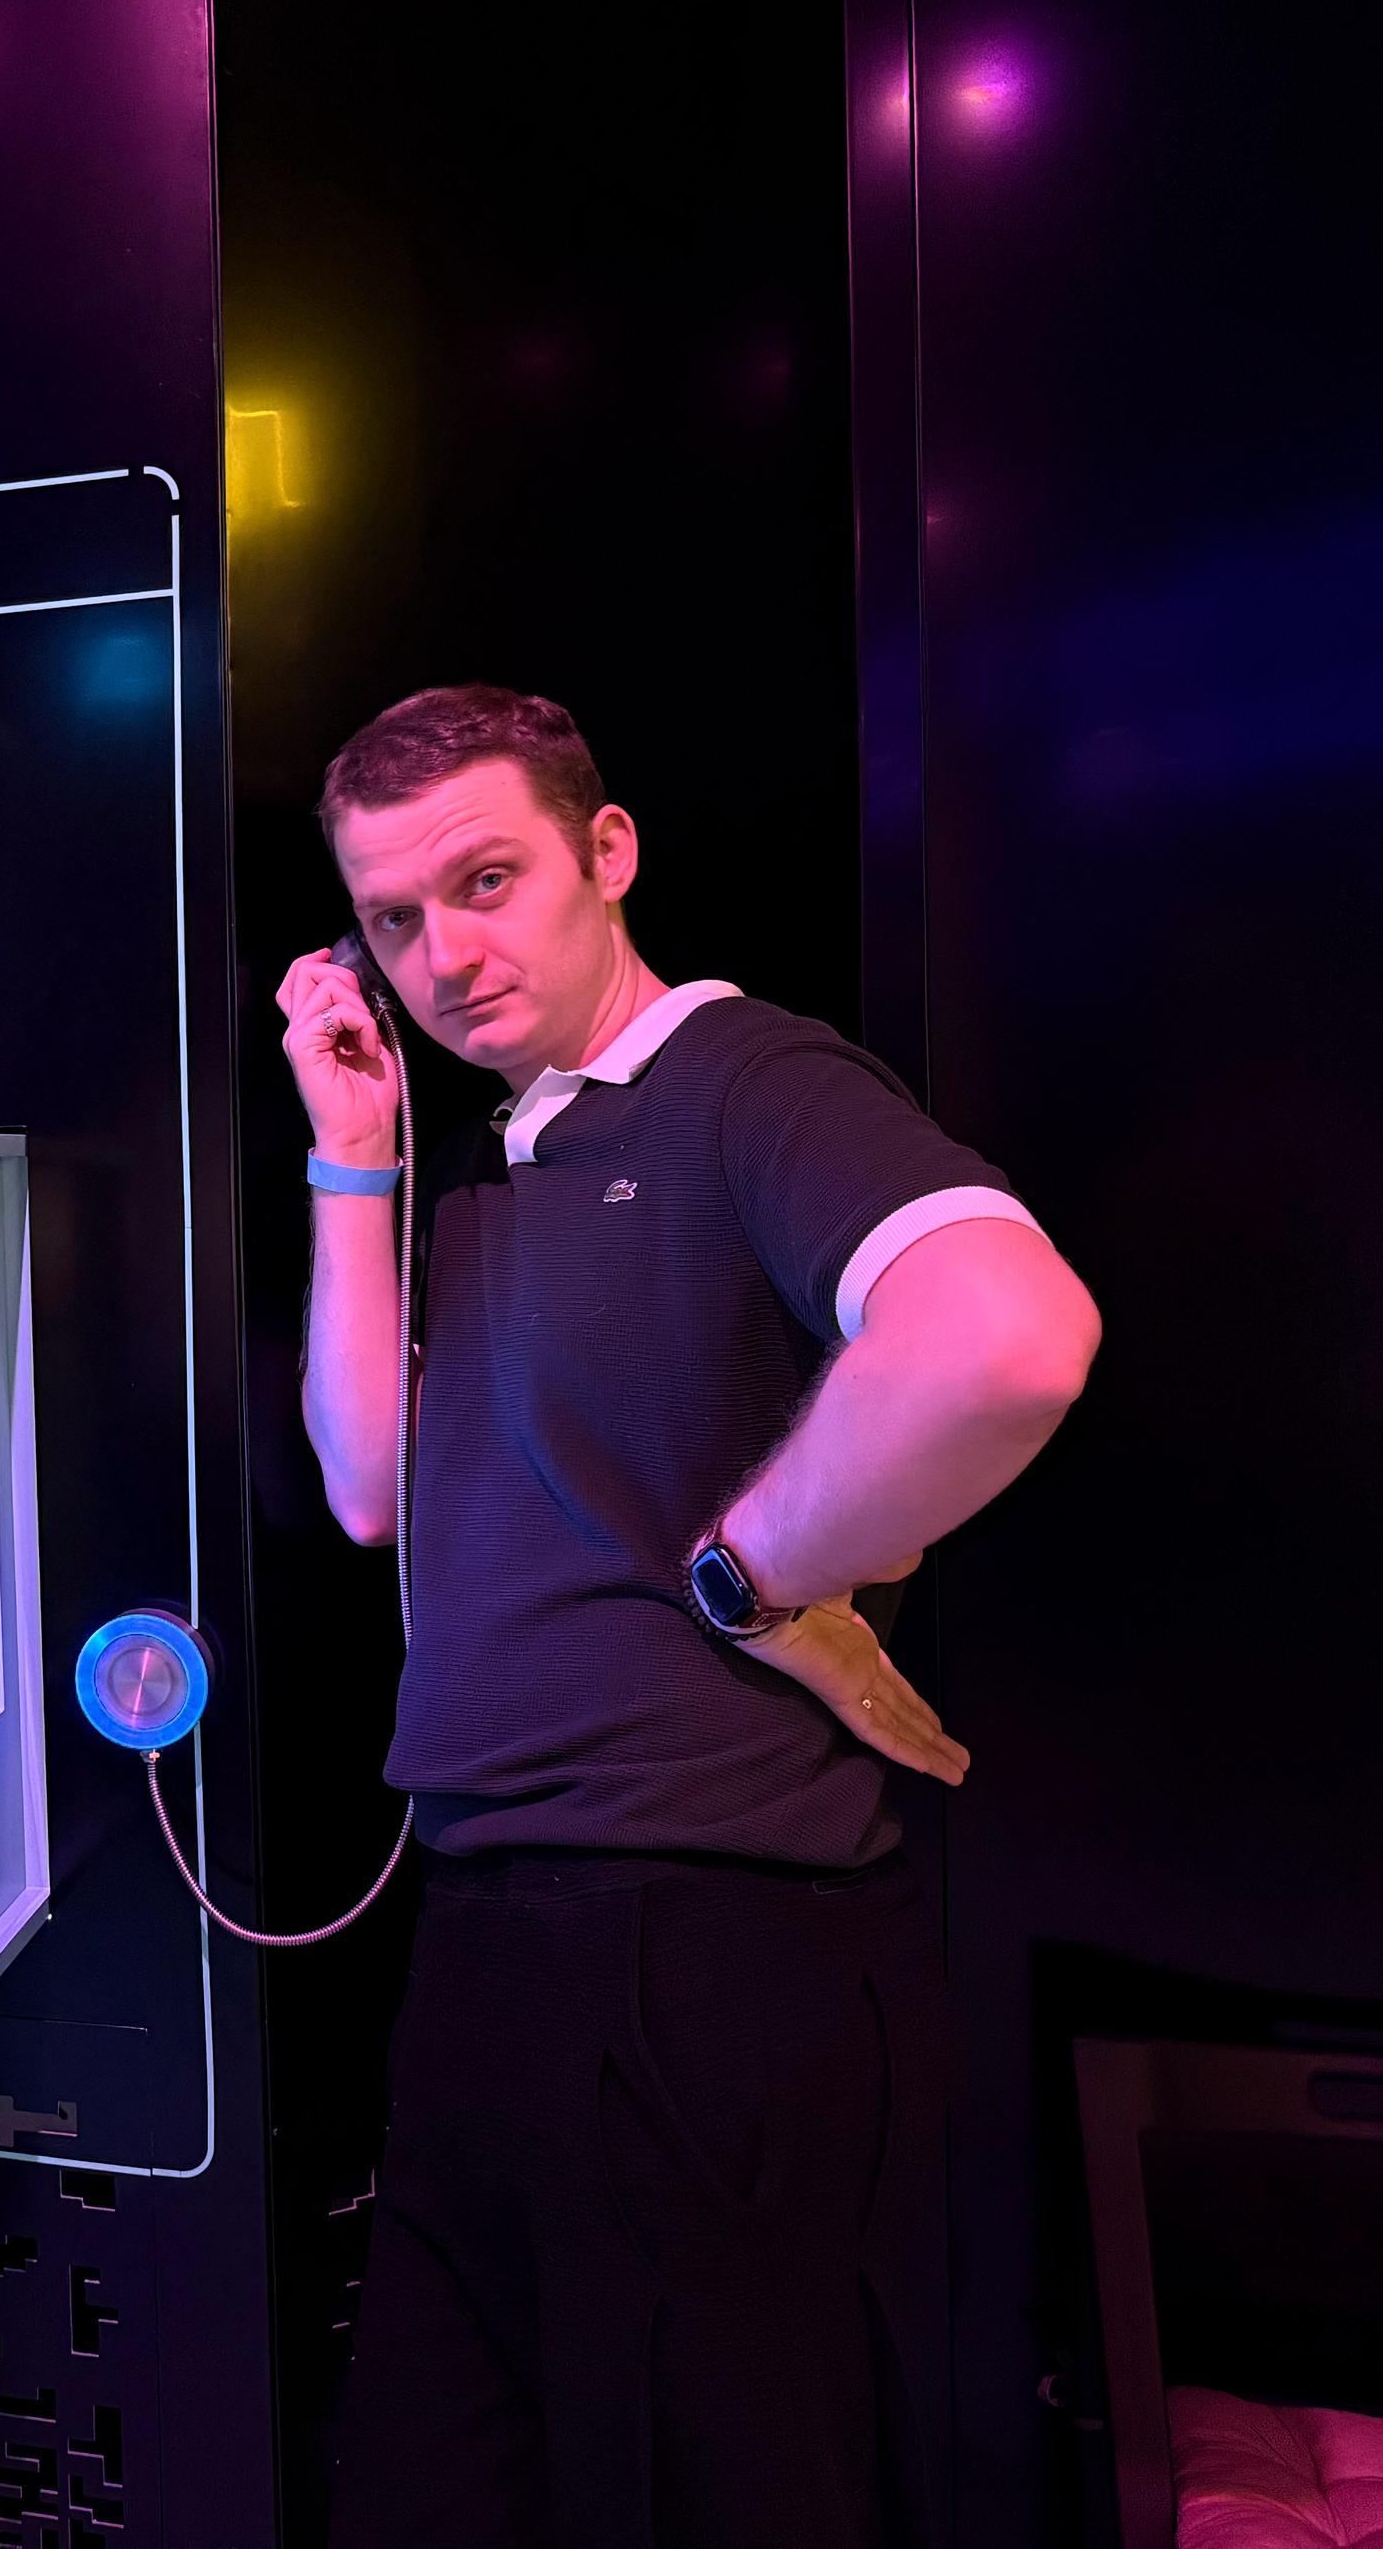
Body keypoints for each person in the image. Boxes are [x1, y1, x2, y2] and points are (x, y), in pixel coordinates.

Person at [276, 686, 1102, 2547]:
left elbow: (1009, 1334)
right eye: (394, 919)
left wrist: (758, 1570)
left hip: (703, 1949)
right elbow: (368, 1488)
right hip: (487, 1937)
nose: (442, 956)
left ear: (608, 854)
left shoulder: (747, 1082)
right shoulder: (492, 1156)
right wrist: (353, 1156)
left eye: (487, 882)